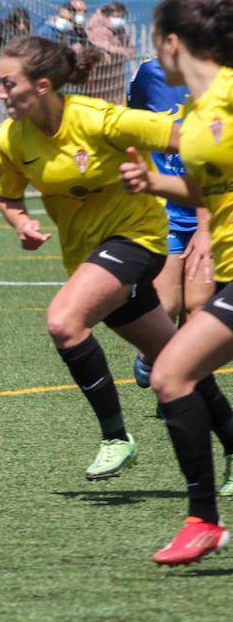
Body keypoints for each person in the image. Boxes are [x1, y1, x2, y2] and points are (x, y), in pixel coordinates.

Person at [0, 35, 195, 486]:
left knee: (64, 321)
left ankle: (115, 438)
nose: (1, 94)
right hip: (87, 253)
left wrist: (206, 200)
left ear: (42, 85)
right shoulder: (11, 137)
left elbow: (185, 139)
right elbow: (9, 197)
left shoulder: (98, 118)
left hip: (139, 237)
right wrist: (21, 222)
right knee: (174, 359)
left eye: (8, 84)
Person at [117, 0, 233, 565]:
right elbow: (202, 188)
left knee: (172, 373)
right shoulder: (191, 110)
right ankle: (205, 522)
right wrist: (151, 183)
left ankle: (204, 518)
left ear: (172, 43)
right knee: (171, 374)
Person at [127, 58, 211, 393]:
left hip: (215, 207)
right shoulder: (151, 73)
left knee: (198, 306)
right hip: (167, 208)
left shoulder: (223, 78)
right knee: (168, 305)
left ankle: (180, 385)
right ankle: (153, 359)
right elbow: (129, 124)